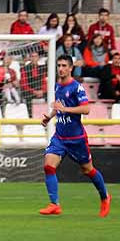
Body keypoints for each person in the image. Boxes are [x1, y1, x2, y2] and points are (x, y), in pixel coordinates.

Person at [39, 54, 110, 217]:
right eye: (59, 65)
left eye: (64, 66)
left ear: (71, 68)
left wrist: (66, 110)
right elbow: (59, 106)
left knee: (87, 170)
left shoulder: (76, 87)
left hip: (76, 139)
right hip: (60, 137)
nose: (61, 69)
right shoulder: (57, 86)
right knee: (48, 165)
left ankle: (105, 197)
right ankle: (54, 204)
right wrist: (50, 117)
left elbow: (86, 109)